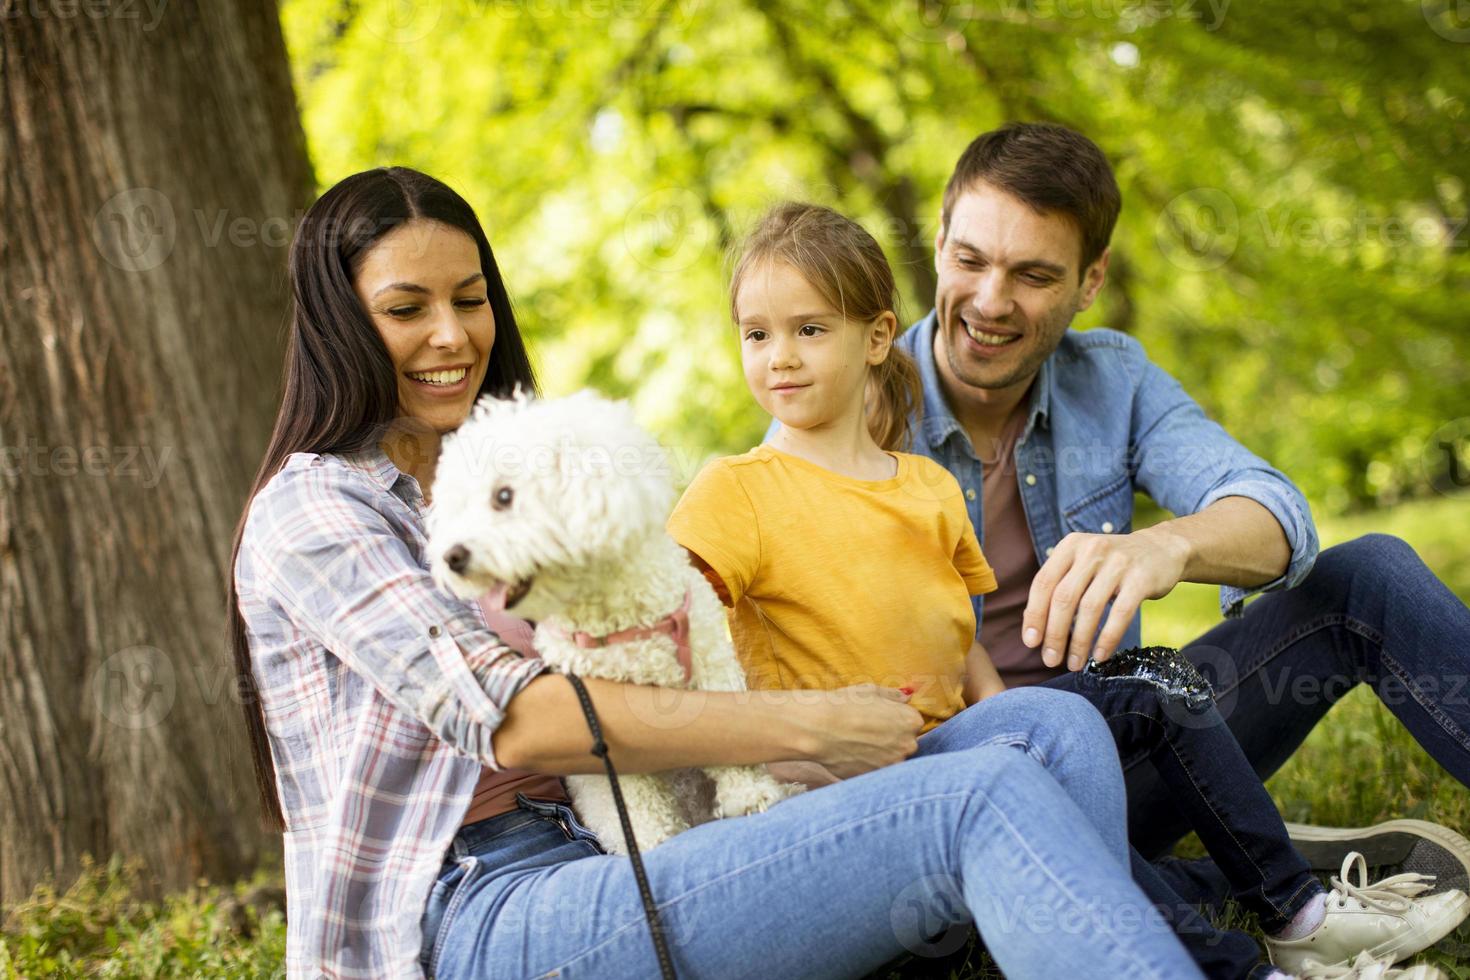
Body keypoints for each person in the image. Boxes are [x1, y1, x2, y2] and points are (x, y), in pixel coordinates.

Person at [227, 166, 1205, 980]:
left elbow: (660, 640)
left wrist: (781, 749)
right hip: (476, 905)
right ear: (337, 322)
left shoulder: (497, 466)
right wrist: (809, 724)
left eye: (469, 298)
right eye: (407, 308)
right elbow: (519, 714)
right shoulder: (313, 512)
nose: (452, 334)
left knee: (1048, 723)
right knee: (975, 795)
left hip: (633, 827)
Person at [671, 201, 1461, 979]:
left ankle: (1299, 914)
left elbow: (963, 639)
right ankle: (1240, 942)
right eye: (757, 334)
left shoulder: (937, 478)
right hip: (891, 787)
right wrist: (778, 750)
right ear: (939, 248)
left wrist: (1166, 547)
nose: (780, 356)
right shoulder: (747, 485)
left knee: (1187, 663)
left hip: (1024, 737)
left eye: (809, 330)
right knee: (1034, 781)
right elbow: (671, 638)